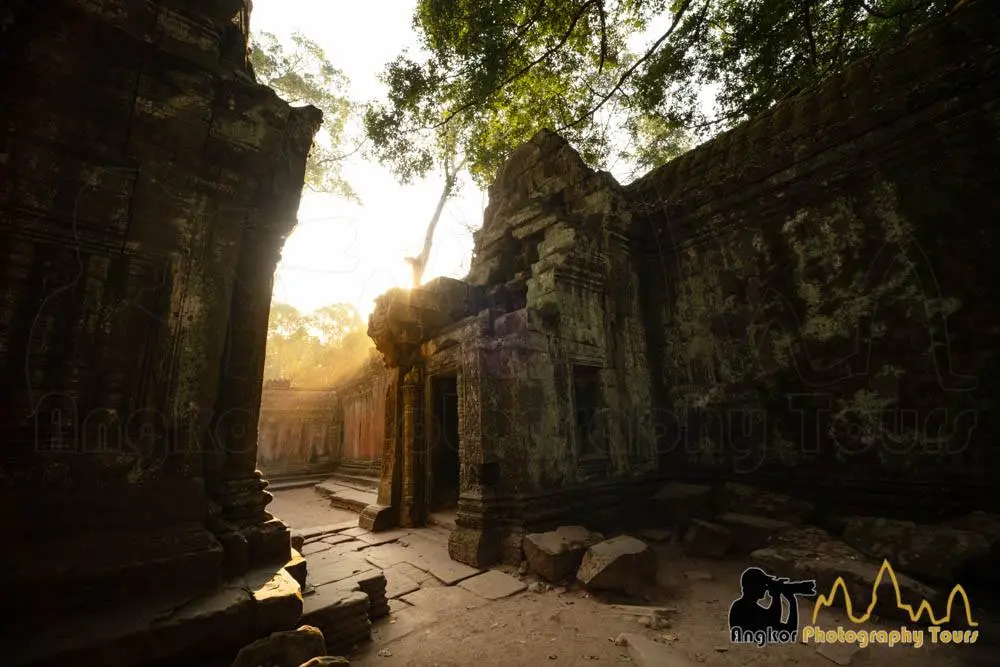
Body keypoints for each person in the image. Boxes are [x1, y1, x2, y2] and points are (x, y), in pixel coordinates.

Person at [728, 567, 799, 633]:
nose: (765, 588)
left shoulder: (741, 605)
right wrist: (776, 595)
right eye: (763, 584)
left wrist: (792, 601)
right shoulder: (743, 607)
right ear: (753, 587)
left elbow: (790, 629)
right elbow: (774, 621)